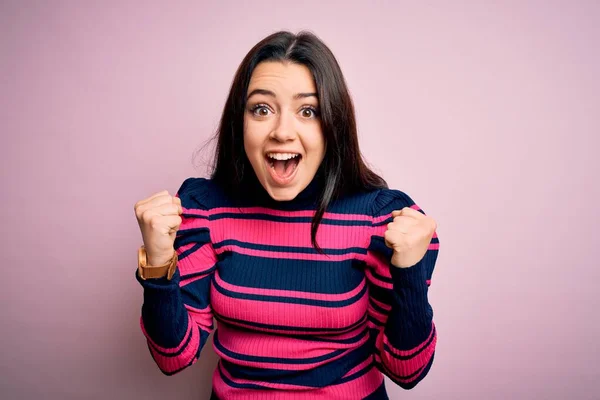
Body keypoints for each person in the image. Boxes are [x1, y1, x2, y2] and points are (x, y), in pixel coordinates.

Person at [133, 30, 440, 400]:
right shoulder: (205, 210)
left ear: (333, 124)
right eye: (261, 109)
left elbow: (407, 370)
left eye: (307, 111)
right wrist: (158, 263)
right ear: (239, 122)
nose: (281, 131)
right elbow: (173, 356)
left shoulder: (380, 220)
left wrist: (408, 271)